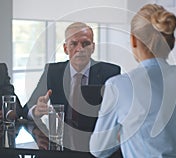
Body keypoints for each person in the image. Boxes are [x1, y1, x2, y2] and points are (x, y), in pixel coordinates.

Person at [89, 4, 176, 158]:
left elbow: (99, 149)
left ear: (133, 40)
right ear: (171, 41)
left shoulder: (118, 85)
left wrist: (125, 135)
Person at [25, 22, 121, 152]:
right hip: (59, 145)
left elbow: (118, 115)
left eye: (85, 44)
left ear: (93, 48)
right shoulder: (52, 72)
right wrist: (36, 110)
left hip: (96, 146)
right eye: (74, 44)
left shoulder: (110, 72)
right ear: (65, 48)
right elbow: (26, 109)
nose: (80, 49)